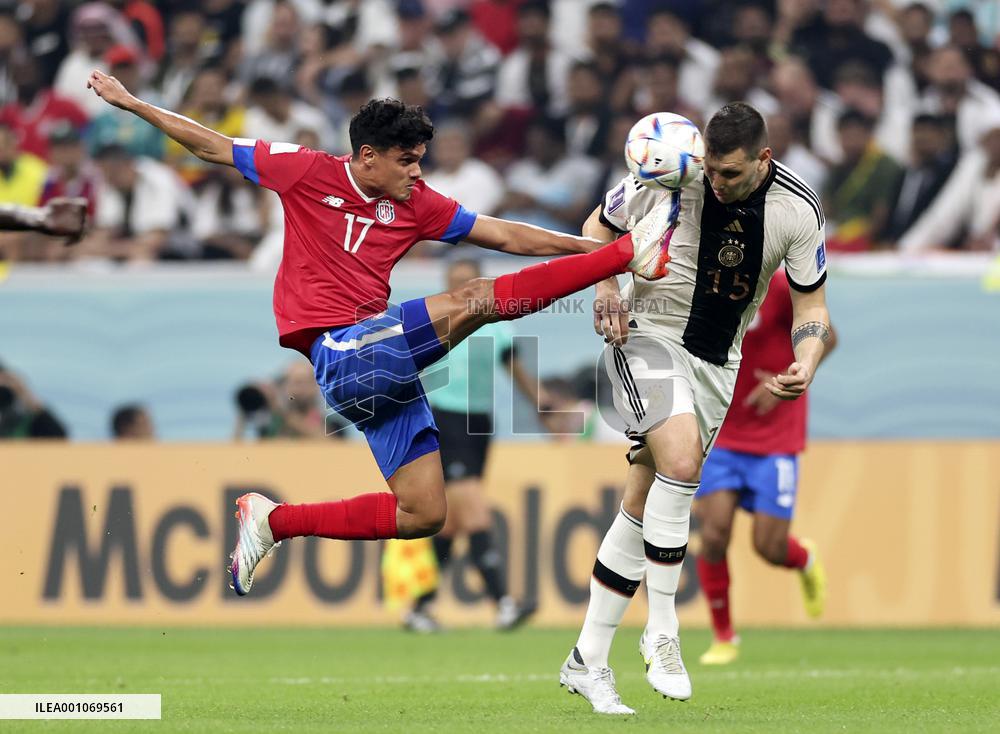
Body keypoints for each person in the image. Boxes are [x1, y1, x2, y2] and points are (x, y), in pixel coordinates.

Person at [84, 69, 679, 599]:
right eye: (406, 160)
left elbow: (506, 236)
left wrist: (591, 250)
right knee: (476, 300)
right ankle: (633, 250)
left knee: (424, 513)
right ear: (366, 156)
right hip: (342, 353)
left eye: (420, 159)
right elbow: (211, 144)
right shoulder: (303, 170)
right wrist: (135, 104)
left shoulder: (417, 203)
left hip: (382, 364)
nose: (417, 171)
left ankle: (271, 522)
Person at [560, 102, 833, 715]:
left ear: (765, 159)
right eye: (711, 169)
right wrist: (605, 285)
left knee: (641, 501)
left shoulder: (798, 210)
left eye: (730, 174)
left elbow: (812, 312)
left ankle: (587, 661)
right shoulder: (672, 170)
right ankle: (663, 631)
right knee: (680, 463)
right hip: (644, 334)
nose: (715, 182)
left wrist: (806, 362)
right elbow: (596, 227)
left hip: (717, 365)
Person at [695, 272, 836, 666]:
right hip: (722, 428)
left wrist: (790, 376)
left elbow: (827, 335)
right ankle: (723, 635)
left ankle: (803, 559)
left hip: (775, 433)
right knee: (714, 532)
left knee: (768, 547)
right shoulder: (706, 274)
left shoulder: (777, 285)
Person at [404, 258, 539, 633]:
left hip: (480, 422)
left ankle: (419, 607)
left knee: (452, 523)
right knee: (474, 509)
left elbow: (516, 372)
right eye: (455, 282)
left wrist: (545, 410)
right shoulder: (430, 321)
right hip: (445, 417)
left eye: (469, 282)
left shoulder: (494, 325)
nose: (462, 290)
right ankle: (503, 603)